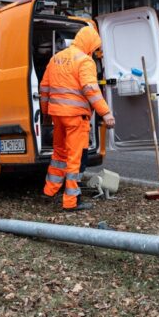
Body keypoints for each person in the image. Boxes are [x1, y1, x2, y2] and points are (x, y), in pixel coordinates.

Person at [39, 26, 115, 211]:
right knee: (74, 159)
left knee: (59, 154)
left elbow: (44, 88)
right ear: (88, 43)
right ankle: (71, 201)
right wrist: (105, 113)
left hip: (58, 115)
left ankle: (49, 191)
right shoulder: (85, 61)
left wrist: (46, 112)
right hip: (75, 118)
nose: (95, 50)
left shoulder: (56, 58)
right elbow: (91, 89)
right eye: (95, 46)